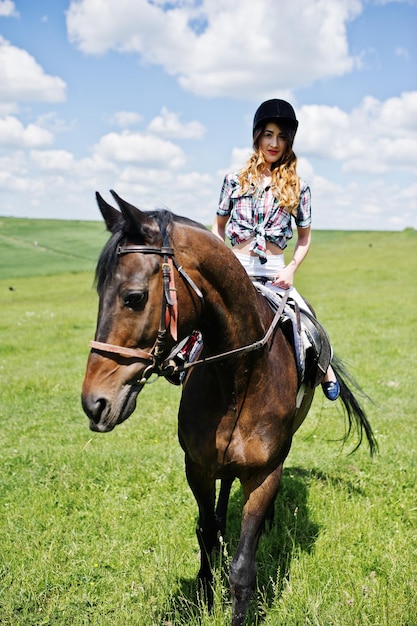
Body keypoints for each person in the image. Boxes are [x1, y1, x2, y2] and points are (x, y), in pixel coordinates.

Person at [211, 98, 339, 401]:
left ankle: (325, 370)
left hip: (275, 271)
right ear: (258, 136)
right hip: (236, 267)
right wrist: (223, 262)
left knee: (307, 321)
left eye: (281, 136)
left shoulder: (299, 187)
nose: (274, 143)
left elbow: (304, 239)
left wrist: (290, 270)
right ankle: (181, 363)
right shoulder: (233, 181)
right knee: (203, 315)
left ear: (289, 141)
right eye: (268, 134)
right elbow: (218, 227)